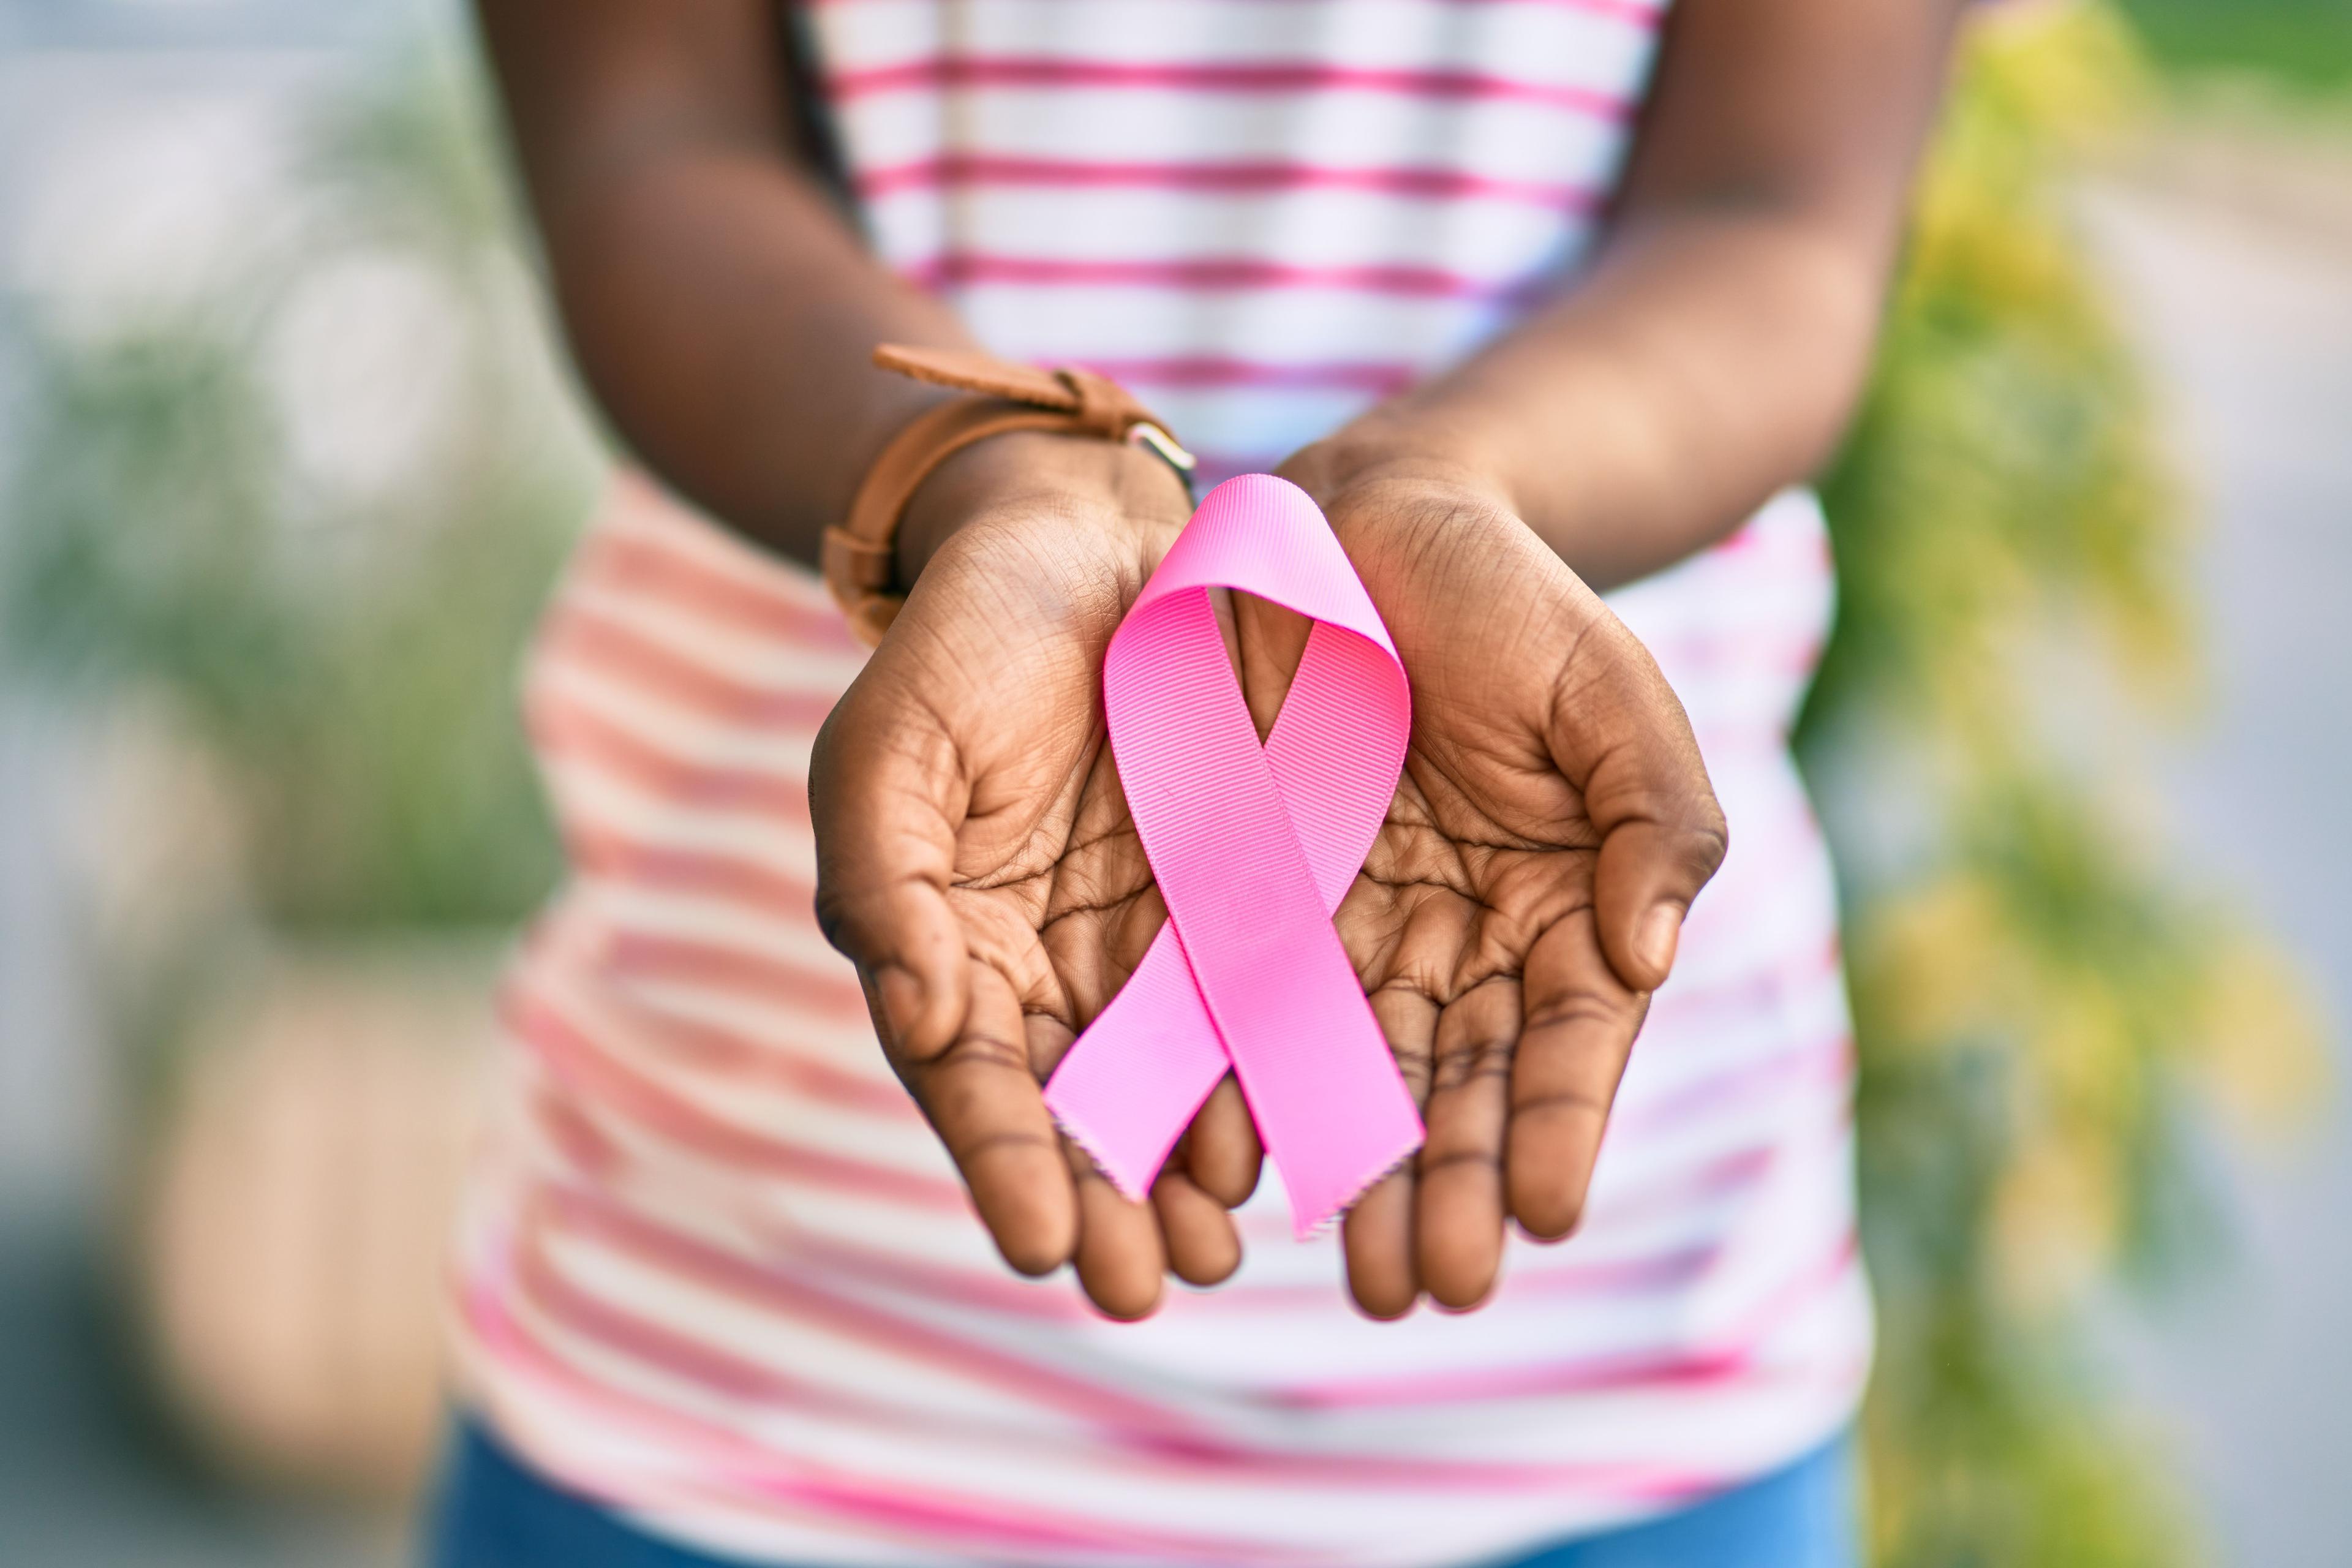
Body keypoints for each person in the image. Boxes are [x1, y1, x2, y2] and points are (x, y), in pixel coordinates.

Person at [433, 0, 1964, 1562]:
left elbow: (1774, 213)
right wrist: (982, 472)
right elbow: (652, 147)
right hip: (735, 1343)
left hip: (1608, 1374)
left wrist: (1452, 481)